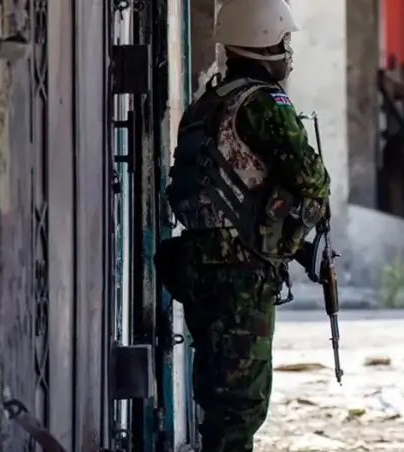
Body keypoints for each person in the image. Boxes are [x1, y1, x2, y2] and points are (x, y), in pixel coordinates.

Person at [154, 0, 330, 450]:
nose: (288, 51)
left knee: (216, 393)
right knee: (240, 406)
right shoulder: (263, 103)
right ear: (263, 39)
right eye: (283, 40)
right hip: (239, 275)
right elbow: (312, 179)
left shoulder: (208, 101)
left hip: (200, 264)